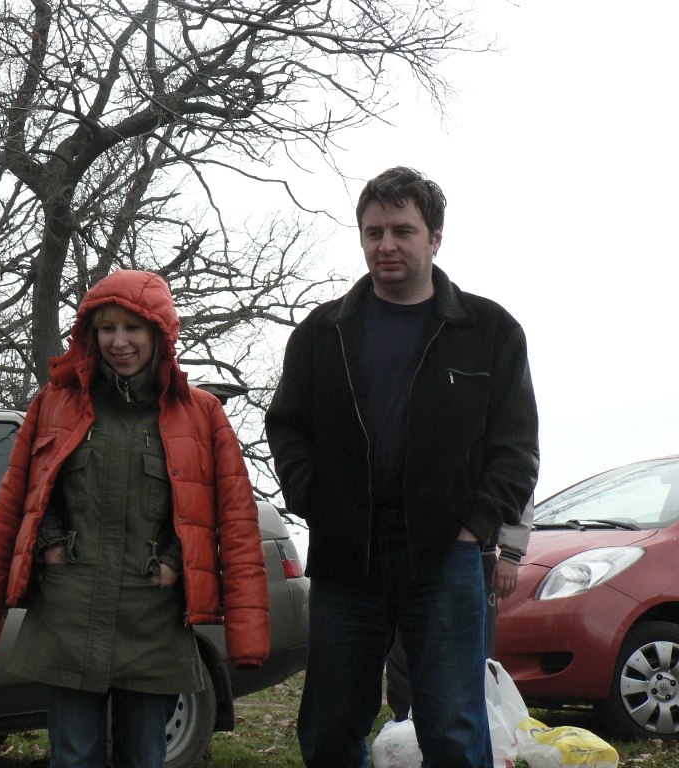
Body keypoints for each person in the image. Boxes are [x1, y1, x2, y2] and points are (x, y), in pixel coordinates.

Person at [265, 166, 538, 768]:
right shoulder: (321, 333)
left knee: (453, 730)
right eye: (374, 232)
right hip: (346, 555)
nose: (386, 245)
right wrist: (317, 500)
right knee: (331, 728)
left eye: (402, 231)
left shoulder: (489, 331)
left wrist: (474, 525)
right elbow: (286, 426)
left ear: (435, 237)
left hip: (445, 557)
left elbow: (516, 448)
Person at [0, 269, 270, 768]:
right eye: (107, 329)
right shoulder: (54, 402)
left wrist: (174, 562)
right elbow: (18, 502)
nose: (119, 342)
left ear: (159, 334)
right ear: (91, 335)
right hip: (69, 611)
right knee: (73, 757)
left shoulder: (202, 413)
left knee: (144, 757)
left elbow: (235, 523)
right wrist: (51, 545)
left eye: (132, 328)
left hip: (153, 618)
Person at [386, 496, 535, 722]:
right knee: (403, 653)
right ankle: (404, 726)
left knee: (474, 657)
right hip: (408, 550)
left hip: (475, 552)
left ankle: (477, 726)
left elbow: (519, 485)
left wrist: (511, 553)